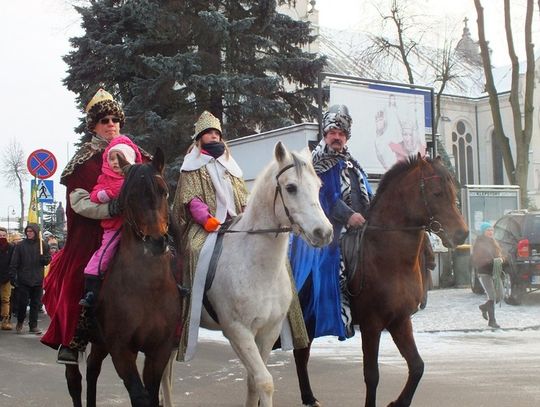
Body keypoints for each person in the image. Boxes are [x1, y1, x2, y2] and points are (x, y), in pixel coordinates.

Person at [41, 88, 148, 364]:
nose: (111, 124)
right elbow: (78, 202)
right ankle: (73, 340)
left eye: (115, 119)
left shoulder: (137, 155)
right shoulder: (83, 161)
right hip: (93, 232)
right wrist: (109, 208)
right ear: (94, 126)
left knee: (169, 263)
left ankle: (169, 328)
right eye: (104, 121)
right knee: (79, 275)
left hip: (136, 230)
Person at [290, 104, 373, 341]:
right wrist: (349, 216)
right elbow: (325, 197)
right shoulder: (317, 162)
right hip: (327, 229)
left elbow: (367, 192)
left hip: (360, 226)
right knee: (330, 259)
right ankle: (319, 314)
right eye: (332, 133)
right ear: (325, 135)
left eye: (341, 133)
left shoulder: (352, 163)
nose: (337, 137)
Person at [172, 110, 248, 361]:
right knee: (195, 249)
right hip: (205, 225)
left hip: (234, 221)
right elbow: (190, 198)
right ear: (199, 139)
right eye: (208, 133)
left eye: (216, 133)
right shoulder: (191, 166)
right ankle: (191, 307)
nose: (214, 136)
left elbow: (243, 196)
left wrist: (246, 214)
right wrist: (206, 218)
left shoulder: (231, 165)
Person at [79, 135, 142, 307]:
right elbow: (94, 194)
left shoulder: (136, 177)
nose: (115, 162)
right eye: (112, 158)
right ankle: (91, 286)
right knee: (104, 253)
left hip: (138, 227)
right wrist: (107, 194)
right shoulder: (105, 178)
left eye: (119, 158)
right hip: (115, 227)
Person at [9, 224, 51, 334]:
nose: (29, 233)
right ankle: (20, 321)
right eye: (27, 231)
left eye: (32, 231)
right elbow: (14, 262)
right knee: (22, 303)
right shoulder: (20, 246)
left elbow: (48, 260)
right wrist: (13, 277)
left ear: (36, 232)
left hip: (37, 279)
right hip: (24, 279)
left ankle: (33, 325)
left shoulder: (43, 245)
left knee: (35, 303)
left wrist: (44, 259)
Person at [472, 221, 504, 328]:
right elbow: (477, 258)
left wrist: (501, 260)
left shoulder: (494, 242)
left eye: (491, 230)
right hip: (484, 272)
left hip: (495, 272)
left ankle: (484, 307)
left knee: (500, 295)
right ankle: (492, 321)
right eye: (488, 230)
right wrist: (492, 261)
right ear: (483, 232)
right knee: (492, 296)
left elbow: (500, 255)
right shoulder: (479, 243)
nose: (490, 232)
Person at [0, 227, 15, 330]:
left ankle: (5, 321)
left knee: (5, 300)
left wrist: (10, 275)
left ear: (7, 236)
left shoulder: (11, 247)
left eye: (4, 235)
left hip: (6, 278)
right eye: (0, 235)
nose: (2, 237)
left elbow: (13, 262)